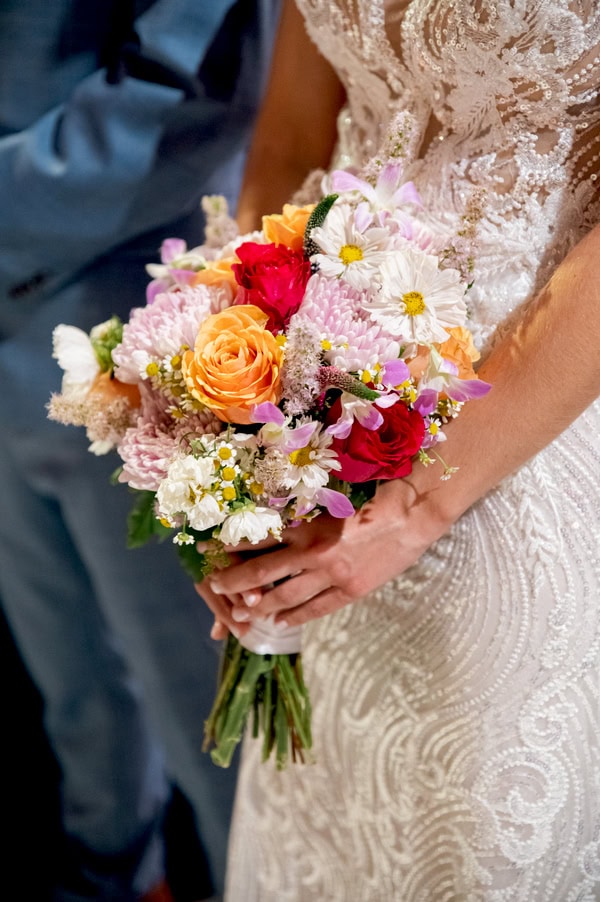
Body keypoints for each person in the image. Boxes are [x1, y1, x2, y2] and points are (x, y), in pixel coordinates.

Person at [196, 1, 600, 899]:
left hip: (536, 430)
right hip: (318, 419)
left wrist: (417, 503)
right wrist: (228, 427)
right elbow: (296, 129)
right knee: (327, 823)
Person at [0, 1, 280, 899]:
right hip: (14, 336)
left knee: (200, 706)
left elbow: (195, 78)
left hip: (123, 309)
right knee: (75, 693)